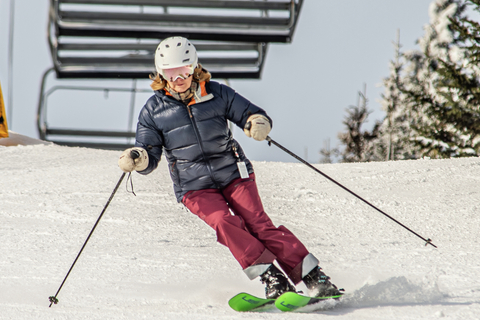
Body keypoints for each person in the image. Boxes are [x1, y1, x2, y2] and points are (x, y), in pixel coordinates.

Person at [118, 36, 341, 299]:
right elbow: (148, 152)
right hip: (194, 186)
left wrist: (257, 123)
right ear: (161, 74)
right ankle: (272, 277)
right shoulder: (153, 111)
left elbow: (250, 113)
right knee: (224, 223)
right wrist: (138, 157)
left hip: (233, 173)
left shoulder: (217, 93)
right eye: (171, 73)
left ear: (194, 67)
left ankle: (314, 276)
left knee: (259, 224)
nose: (179, 79)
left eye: (184, 71)